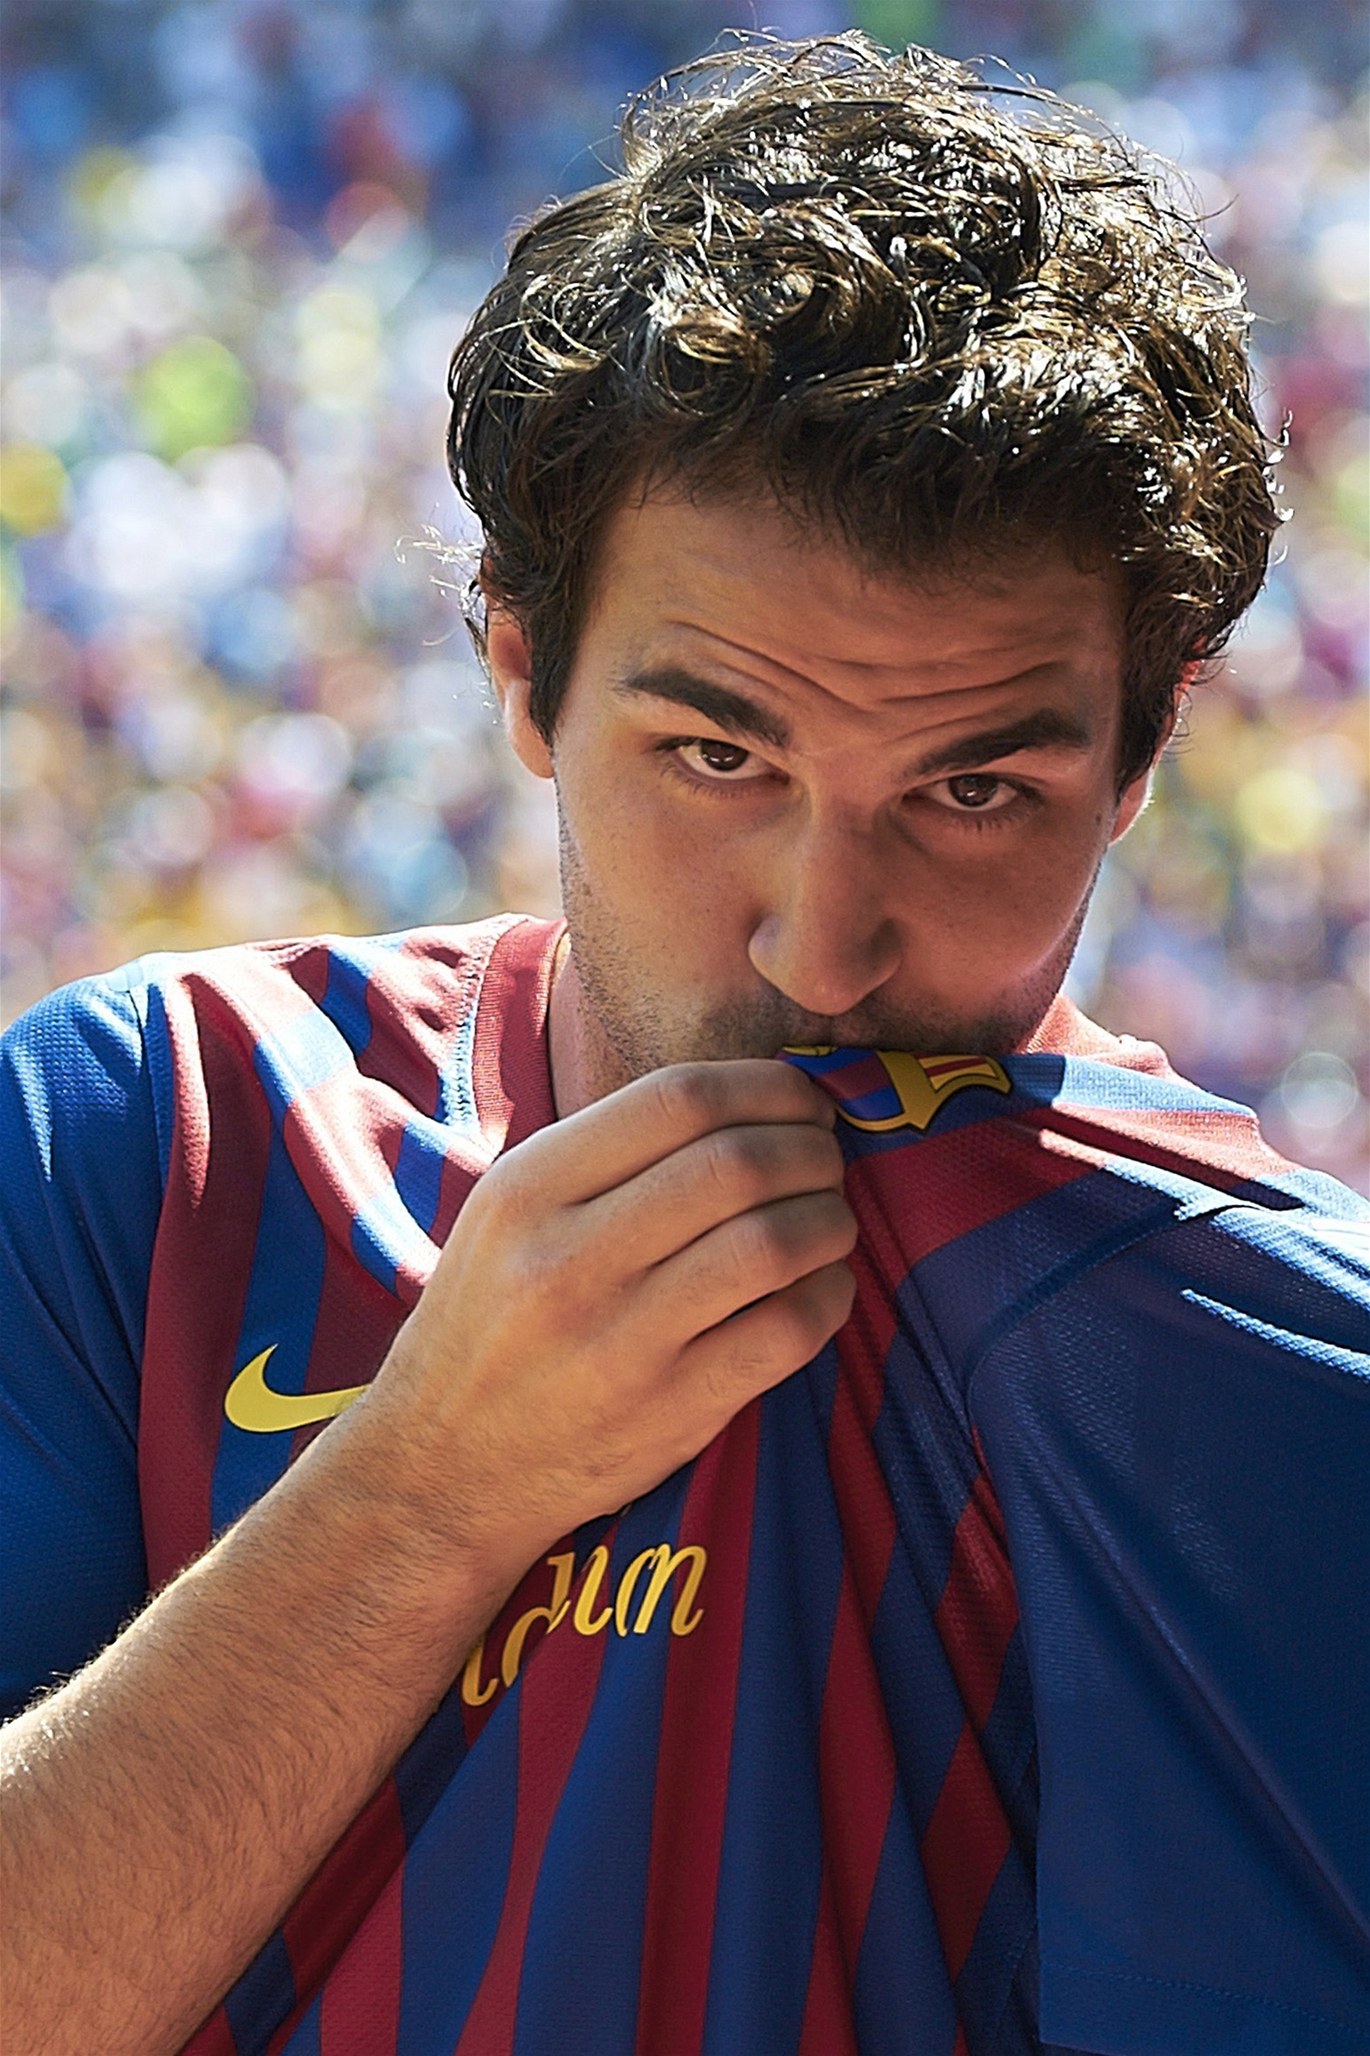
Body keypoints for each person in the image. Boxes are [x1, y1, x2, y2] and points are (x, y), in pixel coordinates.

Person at [2, 33, 1367, 2056]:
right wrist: (420, 1495)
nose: (822, 944)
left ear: (1143, 753)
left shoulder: (1250, 1359)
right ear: (520, 674)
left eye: (973, 791)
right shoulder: (156, 1132)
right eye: (717, 756)